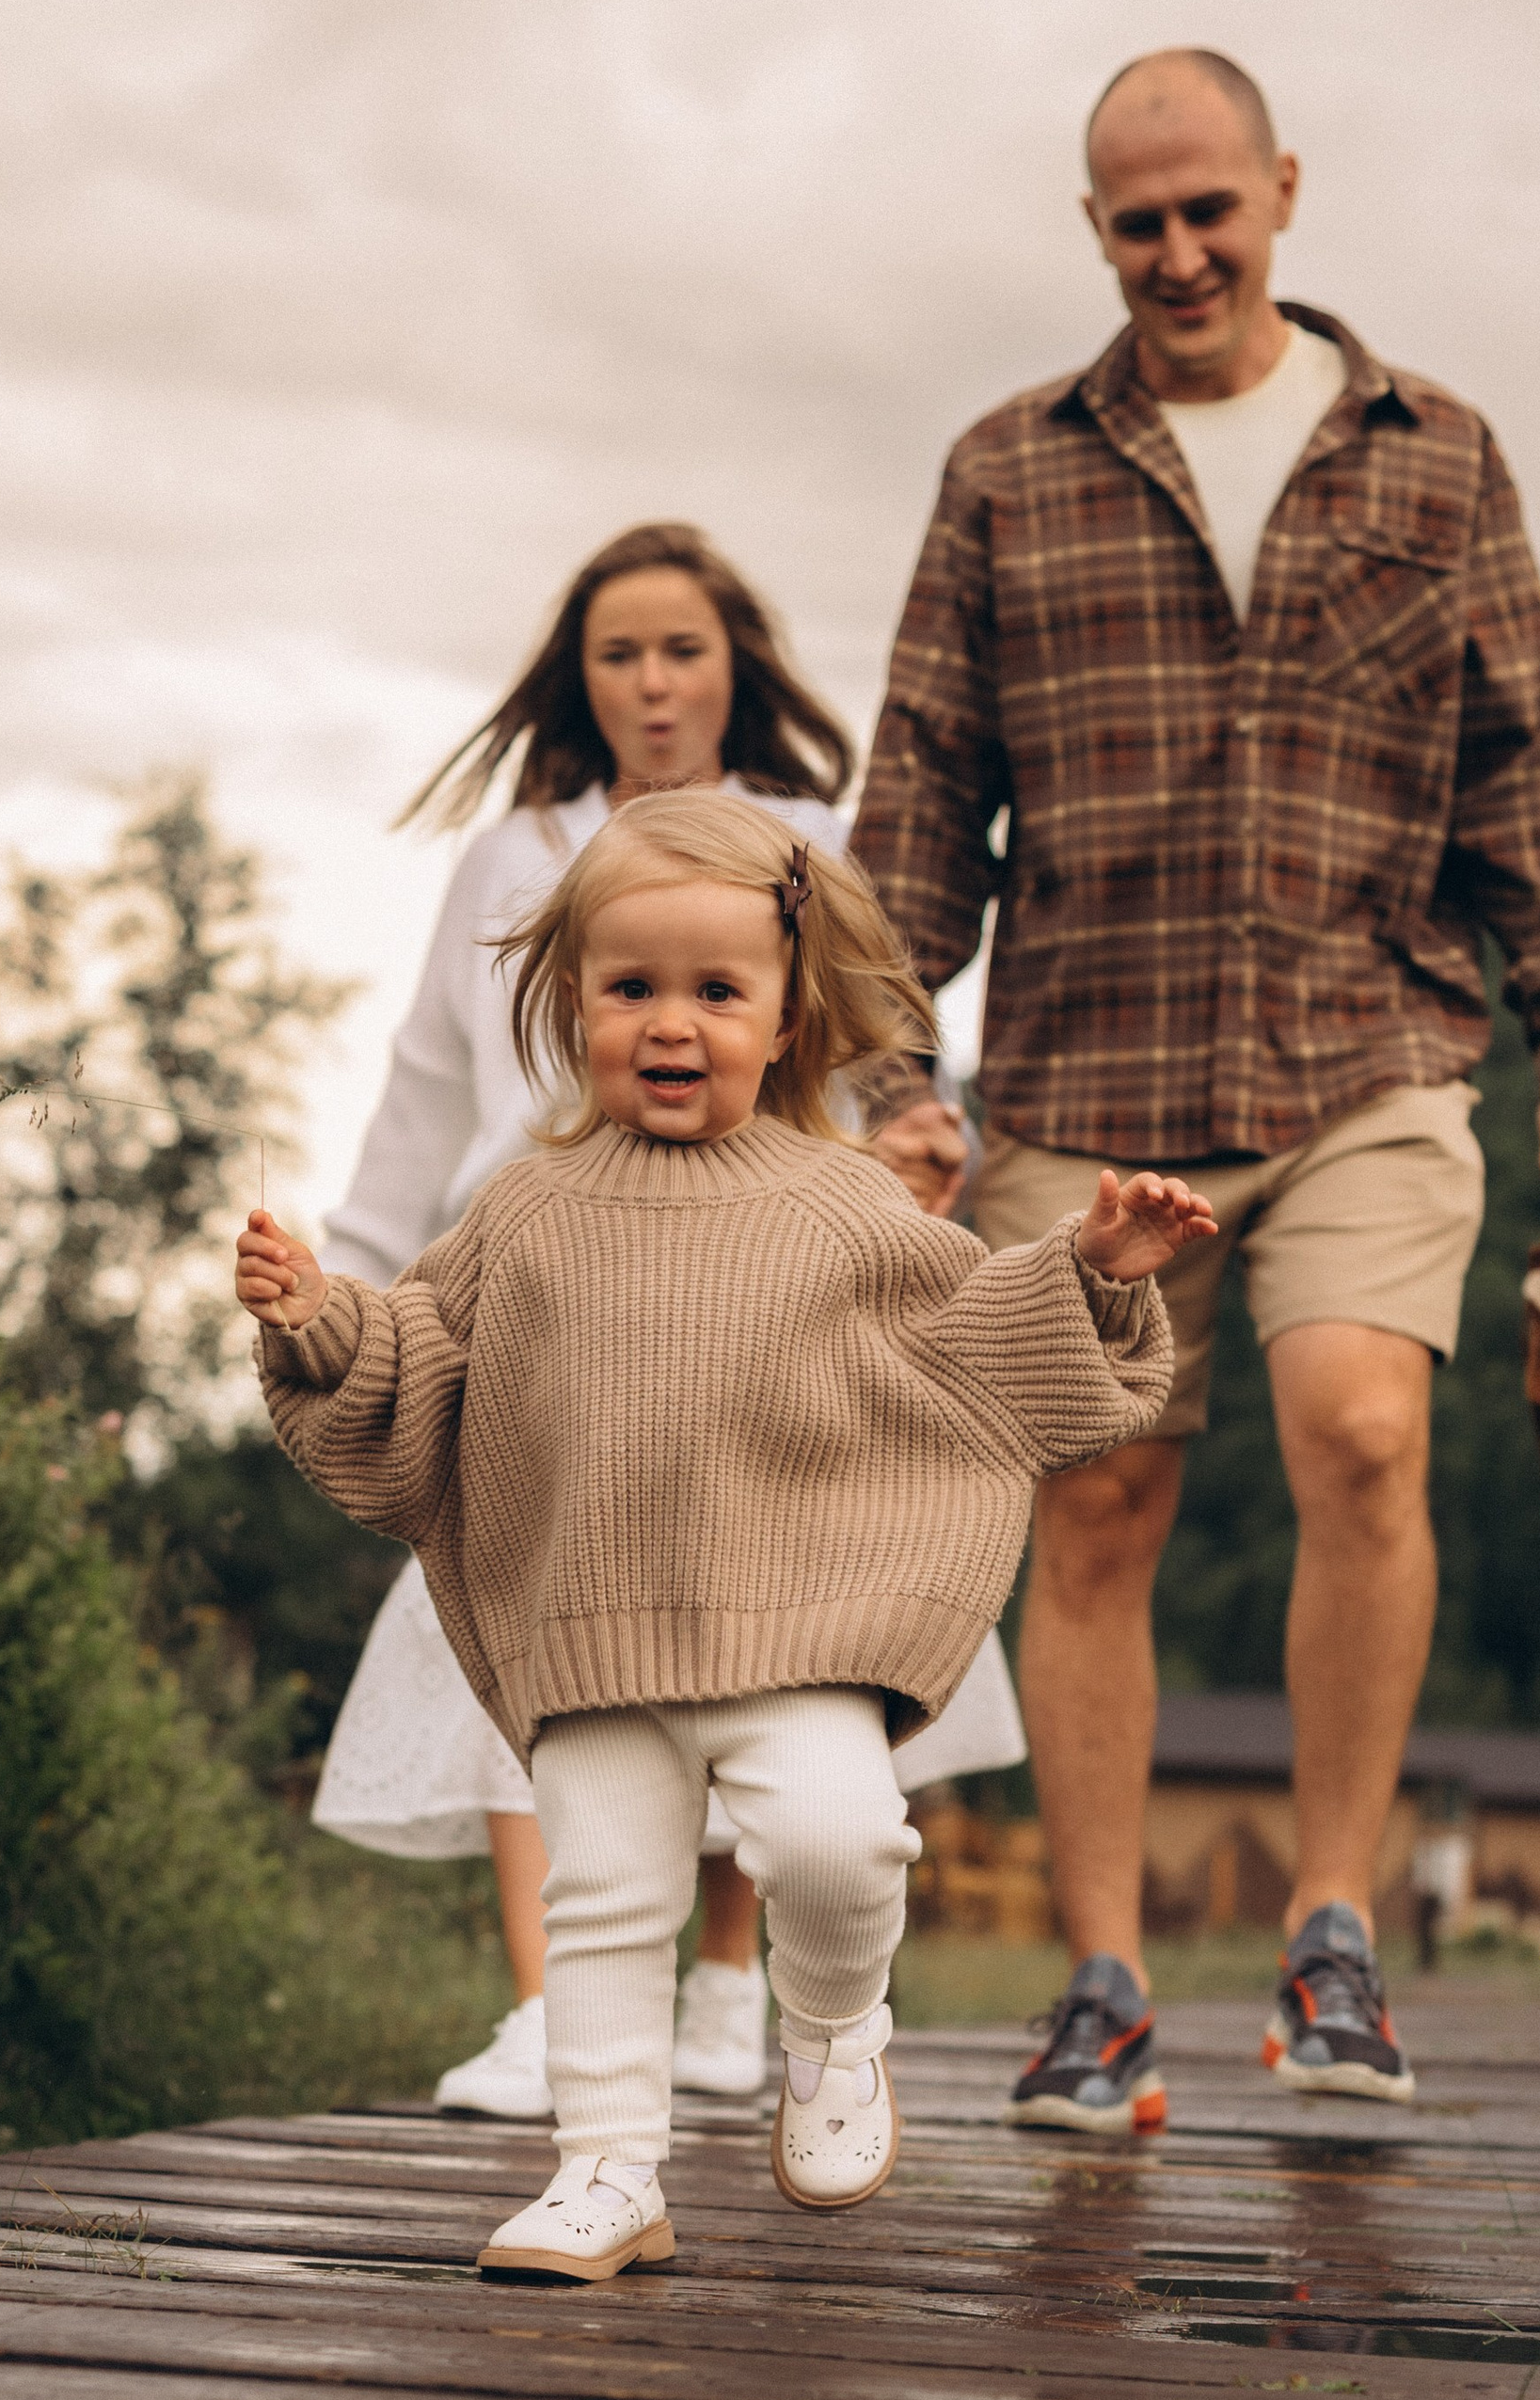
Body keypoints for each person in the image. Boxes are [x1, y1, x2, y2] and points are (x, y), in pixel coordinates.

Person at [854, 46, 1540, 2121]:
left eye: (1210, 210)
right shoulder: (1004, 471)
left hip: (1366, 1046)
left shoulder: (1436, 458)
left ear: (1280, 192)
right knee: (1098, 1503)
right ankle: (1103, 1978)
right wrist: (884, 1068)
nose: (1178, 253)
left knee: (1360, 1430)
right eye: (1136, 222)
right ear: (1093, 230)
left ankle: (1328, 1943)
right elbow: (919, 798)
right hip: (1081, 1071)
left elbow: (1521, 784)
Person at [236, 790, 1207, 2281]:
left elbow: (968, 1335)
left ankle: (832, 2027)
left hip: (797, 1627)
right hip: (593, 1628)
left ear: (788, 1011)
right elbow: (425, 1357)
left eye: (715, 991)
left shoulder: (841, 1203)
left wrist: (1089, 1269)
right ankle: (608, 2172)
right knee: (606, 1904)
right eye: (631, 989)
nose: (670, 1024)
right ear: (572, 1008)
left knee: (839, 1841)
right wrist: (320, 1319)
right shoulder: (528, 1210)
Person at [311, 523, 1025, 2118]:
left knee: (743, 1616)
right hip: (543, 1277)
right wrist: (356, 1276)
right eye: (619, 652)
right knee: (519, 1618)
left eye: (682, 649)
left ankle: (723, 1995)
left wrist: (914, 1143)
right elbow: (431, 1076)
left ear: (732, 670)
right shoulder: (515, 855)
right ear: (583, 676)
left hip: (752, 1279)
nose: (650, 681)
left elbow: (866, 1038)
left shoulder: (802, 836)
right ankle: (551, 2008)